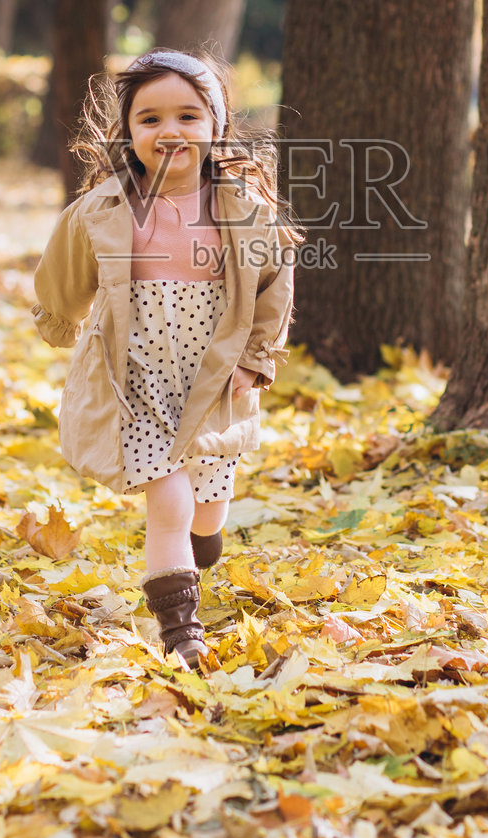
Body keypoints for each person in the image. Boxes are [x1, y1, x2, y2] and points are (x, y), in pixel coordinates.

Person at [31, 48, 304, 668]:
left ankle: (202, 543)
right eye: (150, 119)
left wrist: (258, 357)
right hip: (135, 378)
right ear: (127, 131)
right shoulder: (103, 208)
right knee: (170, 502)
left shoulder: (243, 210)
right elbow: (63, 273)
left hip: (213, 377)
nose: (170, 131)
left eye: (188, 116)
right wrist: (60, 320)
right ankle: (181, 631)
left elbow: (273, 287)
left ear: (216, 126)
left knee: (207, 505)